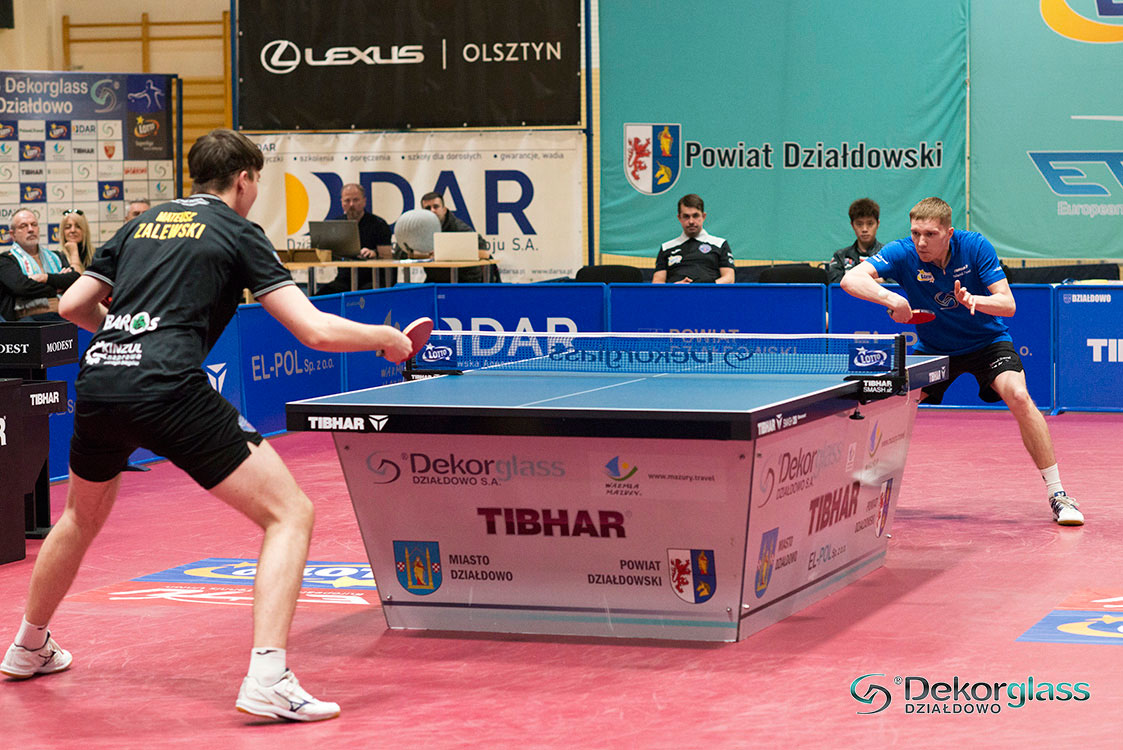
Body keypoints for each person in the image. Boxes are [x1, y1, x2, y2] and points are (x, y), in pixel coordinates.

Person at [0, 129, 413, 721]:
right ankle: (268, 677)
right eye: (256, 183)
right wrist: (386, 337)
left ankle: (28, 645)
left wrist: (129, 339)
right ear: (243, 179)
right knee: (290, 513)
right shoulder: (238, 231)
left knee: (78, 517)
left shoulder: (140, 224)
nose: (254, 193)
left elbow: (72, 307)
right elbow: (315, 331)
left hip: (102, 380)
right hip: (168, 386)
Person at [840, 196, 1083, 526]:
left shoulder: (975, 247)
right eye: (915, 233)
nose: (921, 242)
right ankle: (870, 487)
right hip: (936, 349)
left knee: (1019, 396)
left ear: (949, 233)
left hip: (987, 343)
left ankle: (1058, 494)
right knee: (890, 404)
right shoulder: (902, 252)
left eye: (930, 234)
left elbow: (1007, 304)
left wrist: (974, 300)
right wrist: (891, 298)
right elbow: (850, 280)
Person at [0, 209, 80, 319]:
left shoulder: (56, 256)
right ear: (12, 234)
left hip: (62, 316)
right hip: (28, 321)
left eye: (34, 225)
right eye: (23, 226)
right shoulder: (6, 260)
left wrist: (45, 278)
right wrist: (57, 286)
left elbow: (75, 279)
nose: (30, 229)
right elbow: (23, 287)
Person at [316, 183, 394, 293]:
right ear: (342, 202)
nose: (351, 204)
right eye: (347, 201)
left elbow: (387, 257)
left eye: (356, 200)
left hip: (373, 280)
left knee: (362, 295)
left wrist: (374, 253)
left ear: (364, 201)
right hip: (344, 280)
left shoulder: (378, 224)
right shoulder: (336, 224)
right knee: (320, 296)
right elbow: (324, 253)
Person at [652, 194, 735, 284]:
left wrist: (705, 286)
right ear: (679, 218)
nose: (691, 221)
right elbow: (657, 282)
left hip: (710, 292)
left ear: (703, 216)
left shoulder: (720, 244)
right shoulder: (666, 247)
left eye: (695, 216)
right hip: (676, 292)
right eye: (686, 216)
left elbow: (729, 278)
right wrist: (675, 286)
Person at [419, 191, 491, 283]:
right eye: (428, 208)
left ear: (444, 210)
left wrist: (443, 253)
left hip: (465, 280)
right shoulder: (420, 228)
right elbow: (404, 253)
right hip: (436, 279)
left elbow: (484, 252)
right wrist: (423, 254)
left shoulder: (459, 228)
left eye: (436, 207)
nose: (432, 211)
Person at [825, 198, 884, 284]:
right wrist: (871, 282)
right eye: (859, 224)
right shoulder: (840, 256)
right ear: (852, 225)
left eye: (870, 224)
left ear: (878, 224)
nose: (864, 229)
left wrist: (884, 282)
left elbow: (898, 283)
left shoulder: (888, 255)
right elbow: (835, 286)